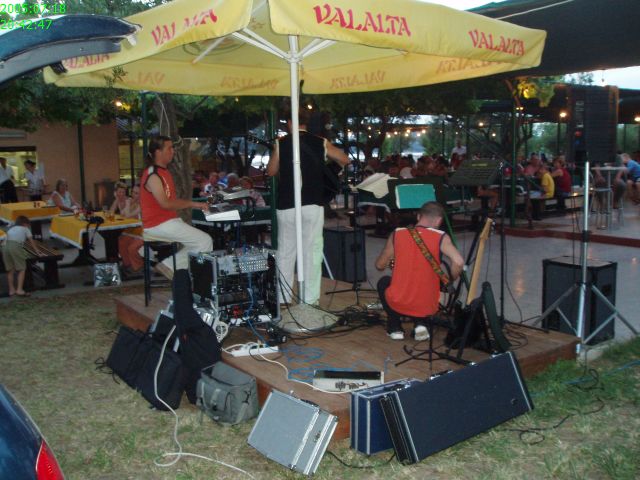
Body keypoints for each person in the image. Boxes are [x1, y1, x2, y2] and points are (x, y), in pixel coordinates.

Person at [267, 109, 349, 305]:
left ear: (289, 122)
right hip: (313, 203)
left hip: (287, 204)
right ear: (307, 122)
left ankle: (283, 298)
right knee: (311, 252)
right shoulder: (320, 142)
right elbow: (345, 159)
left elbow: (271, 171)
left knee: (286, 252)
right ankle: (310, 299)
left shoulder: (281, 143)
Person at [375, 201, 464, 340]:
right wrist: (451, 279)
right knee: (427, 286)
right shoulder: (441, 237)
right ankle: (420, 324)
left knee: (384, 282)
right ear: (439, 220)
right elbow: (458, 262)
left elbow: (380, 265)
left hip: (399, 301)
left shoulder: (397, 234)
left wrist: (395, 263)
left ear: (418, 216)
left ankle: (395, 327)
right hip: (426, 305)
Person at [140, 136, 212, 280]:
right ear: (158, 152)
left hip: (167, 222)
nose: (173, 151)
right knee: (205, 241)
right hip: (157, 224)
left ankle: (179, 271)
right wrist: (195, 204)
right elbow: (166, 204)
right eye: (169, 148)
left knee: (199, 244)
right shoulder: (153, 175)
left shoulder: (163, 172)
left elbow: (171, 202)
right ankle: (173, 268)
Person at [2, 216, 40, 297]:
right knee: (22, 269)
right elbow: (31, 241)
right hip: (15, 246)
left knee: (10, 270)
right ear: (25, 224)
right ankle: (19, 290)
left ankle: (11, 290)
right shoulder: (25, 229)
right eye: (28, 225)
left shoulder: (11, 229)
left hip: (4, 246)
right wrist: (37, 251)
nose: (28, 226)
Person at [117, 184, 144, 275]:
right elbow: (122, 214)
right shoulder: (134, 203)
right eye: (132, 192)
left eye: (136, 193)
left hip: (146, 232)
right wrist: (128, 204)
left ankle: (139, 267)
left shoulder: (143, 204)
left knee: (132, 248)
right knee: (121, 241)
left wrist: (128, 204)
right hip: (135, 230)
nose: (133, 195)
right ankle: (128, 265)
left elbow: (128, 216)